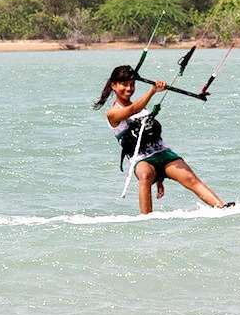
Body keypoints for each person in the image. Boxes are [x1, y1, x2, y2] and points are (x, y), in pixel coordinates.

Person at [93, 64, 228, 214]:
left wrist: (160, 178)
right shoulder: (112, 113)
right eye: (124, 85)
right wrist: (152, 90)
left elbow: (150, 131)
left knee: (190, 178)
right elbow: (132, 110)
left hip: (162, 154)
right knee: (145, 175)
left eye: (132, 84)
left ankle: (222, 207)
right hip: (141, 159)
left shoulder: (143, 108)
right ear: (113, 85)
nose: (129, 89)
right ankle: (146, 218)